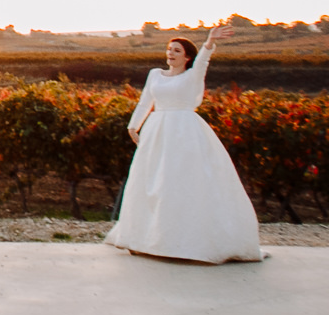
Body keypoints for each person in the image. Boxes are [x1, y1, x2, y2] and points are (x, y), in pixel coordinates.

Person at [105, 26, 263, 264]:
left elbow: (203, 63)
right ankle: (144, 239)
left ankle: (186, 242)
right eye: (169, 49)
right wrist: (133, 126)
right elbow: (145, 101)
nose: (170, 53)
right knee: (151, 183)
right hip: (157, 131)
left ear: (187, 57)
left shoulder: (192, 75)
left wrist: (209, 42)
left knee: (182, 184)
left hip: (184, 133)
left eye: (176, 50)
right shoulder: (155, 74)